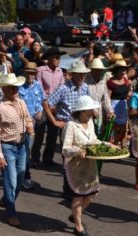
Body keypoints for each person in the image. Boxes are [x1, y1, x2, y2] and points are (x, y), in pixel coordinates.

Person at [62, 95, 117, 236]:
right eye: (91, 109)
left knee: (92, 193)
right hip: (75, 166)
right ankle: (78, 226)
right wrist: (77, 151)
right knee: (78, 196)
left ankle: (75, 215)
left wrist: (107, 145)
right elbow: (65, 148)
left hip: (90, 164)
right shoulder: (71, 125)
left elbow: (93, 140)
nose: (94, 111)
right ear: (83, 110)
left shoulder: (90, 121)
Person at [43, 60, 90, 199]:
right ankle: (68, 189)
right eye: (79, 74)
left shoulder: (85, 87)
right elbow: (46, 103)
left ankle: (75, 187)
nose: (82, 77)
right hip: (67, 126)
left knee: (80, 157)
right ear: (73, 74)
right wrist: (54, 121)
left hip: (81, 127)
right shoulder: (64, 88)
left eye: (84, 74)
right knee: (68, 158)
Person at [0, 73, 34, 227]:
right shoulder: (0, 108)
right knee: (11, 181)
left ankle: (7, 199)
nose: (14, 90)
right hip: (7, 147)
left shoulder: (21, 102)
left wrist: (30, 126)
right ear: (4, 90)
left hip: (22, 145)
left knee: (21, 177)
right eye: (11, 87)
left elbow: (28, 118)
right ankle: (11, 213)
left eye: (15, 87)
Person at [31, 47, 65, 168]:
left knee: (53, 133)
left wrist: (55, 103)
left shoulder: (60, 72)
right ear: (50, 59)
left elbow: (61, 89)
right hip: (42, 104)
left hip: (55, 106)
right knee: (39, 131)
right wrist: (48, 102)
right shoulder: (40, 70)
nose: (58, 60)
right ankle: (35, 158)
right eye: (56, 58)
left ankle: (48, 158)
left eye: (59, 58)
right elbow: (38, 88)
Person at [18, 62, 43, 189]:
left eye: (32, 73)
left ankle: (22, 176)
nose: (30, 75)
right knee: (24, 151)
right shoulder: (19, 86)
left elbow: (41, 102)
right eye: (28, 73)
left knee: (26, 151)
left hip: (33, 124)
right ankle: (24, 177)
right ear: (24, 73)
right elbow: (15, 104)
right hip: (21, 123)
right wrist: (28, 118)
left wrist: (39, 111)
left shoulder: (38, 85)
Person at [107, 60, 132, 147]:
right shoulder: (110, 82)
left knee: (124, 128)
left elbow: (128, 92)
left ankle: (123, 146)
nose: (124, 72)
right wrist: (110, 110)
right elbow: (108, 97)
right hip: (114, 106)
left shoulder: (125, 80)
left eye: (124, 70)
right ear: (116, 70)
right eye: (121, 70)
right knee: (115, 128)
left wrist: (129, 92)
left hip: (123, 105)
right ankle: (114, 146)